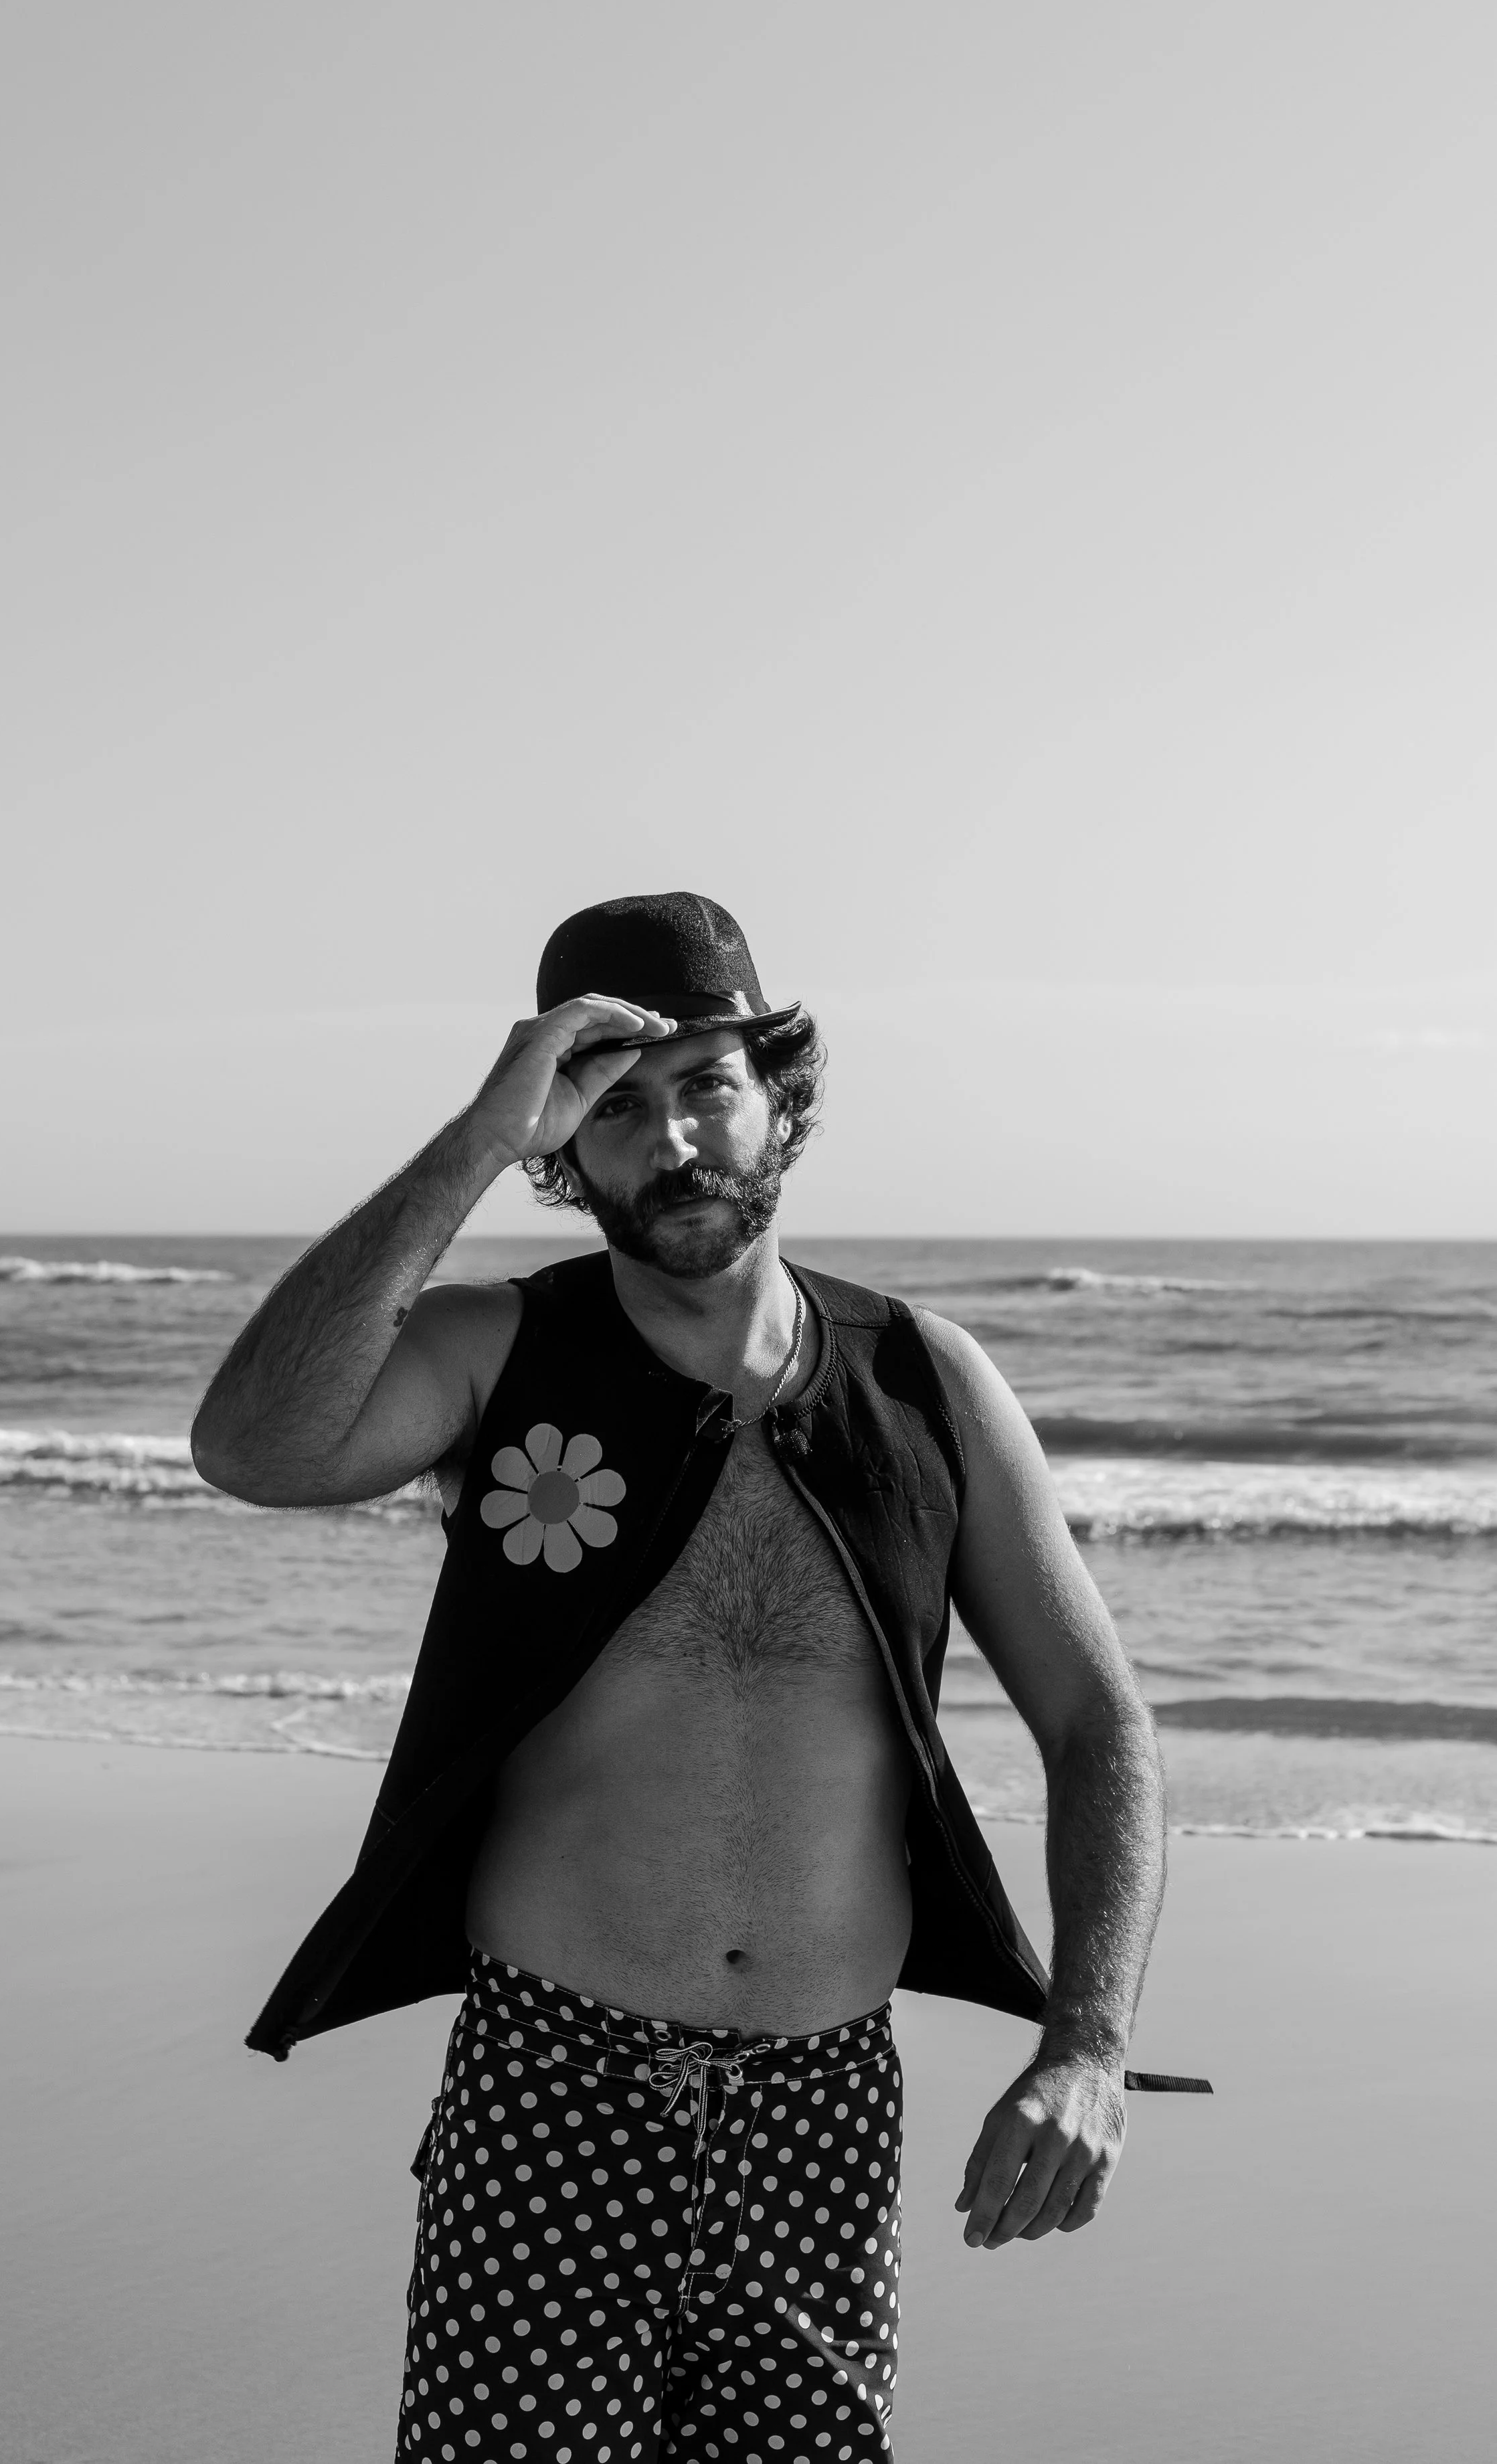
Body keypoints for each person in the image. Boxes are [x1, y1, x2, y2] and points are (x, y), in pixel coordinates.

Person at [193, 890, 1177, 2464]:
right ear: (562, 1151)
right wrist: (471, 1136)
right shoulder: (495, 1352)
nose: (669, 1139)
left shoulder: (920, 1379)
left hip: (822, 2115)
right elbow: (250, 1449)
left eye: (705, 1083)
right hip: (553, 2099)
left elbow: (1095, 1722)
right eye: (611, 1105)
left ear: (778, 1097)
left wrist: (1084, 2046)